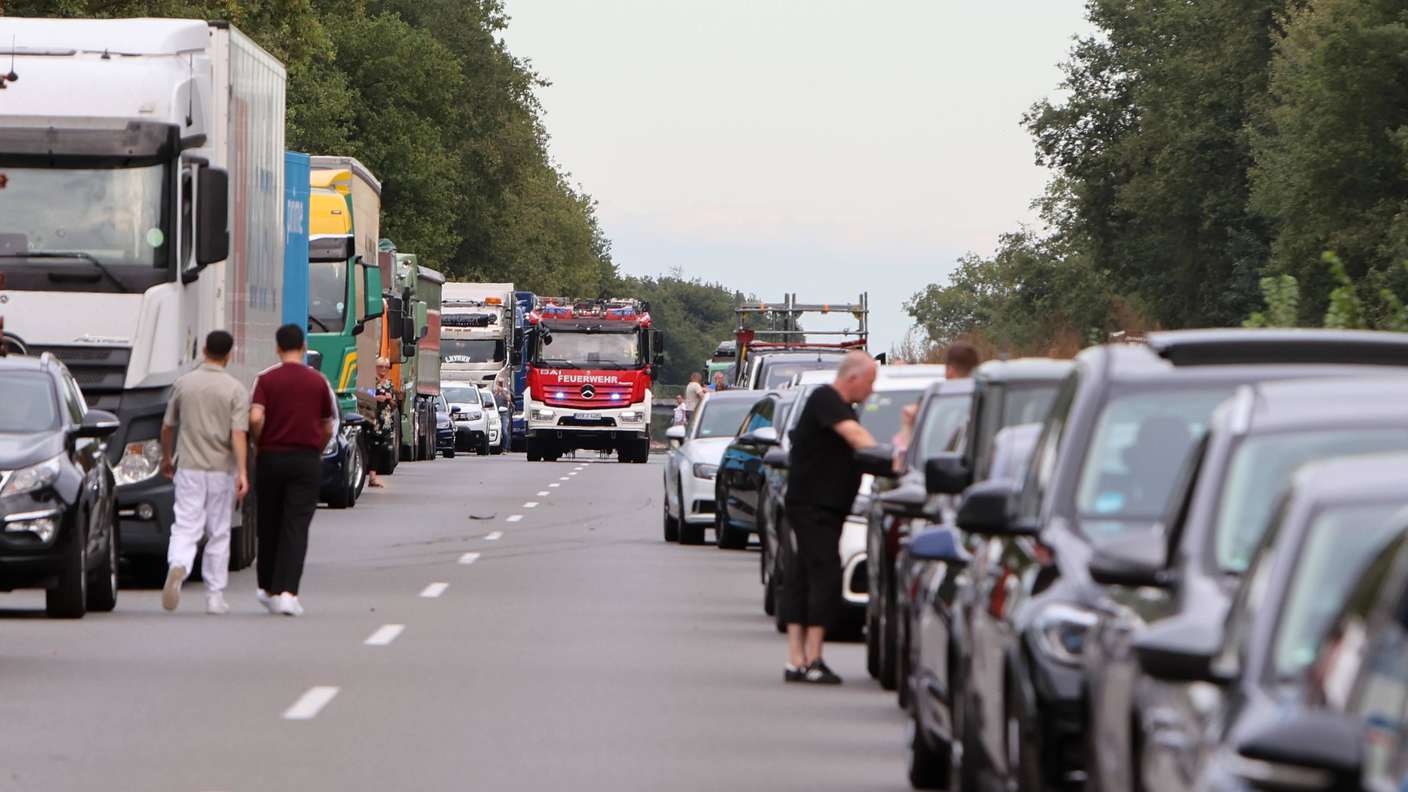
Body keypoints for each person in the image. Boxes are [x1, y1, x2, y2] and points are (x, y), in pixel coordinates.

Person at [781, 351, 878, 684]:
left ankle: (797, 660)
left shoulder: (843, 408)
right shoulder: (826, 398)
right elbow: (857, 438)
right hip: (812, 506)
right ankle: (813, 658)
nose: (872, 390)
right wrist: (889, 456)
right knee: (825, 574)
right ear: (853, 378)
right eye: (870, 382)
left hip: (825, 507)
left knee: (803, 573)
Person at [158, 330, 250, 615]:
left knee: (186, 525)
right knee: (219, 531)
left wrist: (166, 458)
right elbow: (238, 434)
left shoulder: (184, 384)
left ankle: (179, 565)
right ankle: (214, 596)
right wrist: (242, 472)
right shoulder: (235, 389)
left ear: (205, 350)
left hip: (188, 466)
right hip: (221, 469)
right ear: (229, 355)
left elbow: (167, 427)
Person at [250, 324, 334, 617]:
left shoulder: (265, 380)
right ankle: (288, 592)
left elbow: (256, 416)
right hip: (305, 459)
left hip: (270, 457)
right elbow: (327, 424)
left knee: (269, 522)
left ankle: (267, 587)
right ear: (303, 346)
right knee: (295, 525)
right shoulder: (318, 382)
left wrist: (259, 440)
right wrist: (317, 449)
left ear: (277, 347)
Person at [367, 357, 396, 488]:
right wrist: (375, 398)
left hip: (385, 419)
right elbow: (363, 398)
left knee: (379, 447)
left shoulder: (389, 384)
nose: (383, 369)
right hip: (372, 418)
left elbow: (395, 405)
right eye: (380, 366)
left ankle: (373, 476)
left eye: (386, 367)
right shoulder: (370, 382)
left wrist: (390, 400)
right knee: (370, 444)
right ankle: (369, 475)